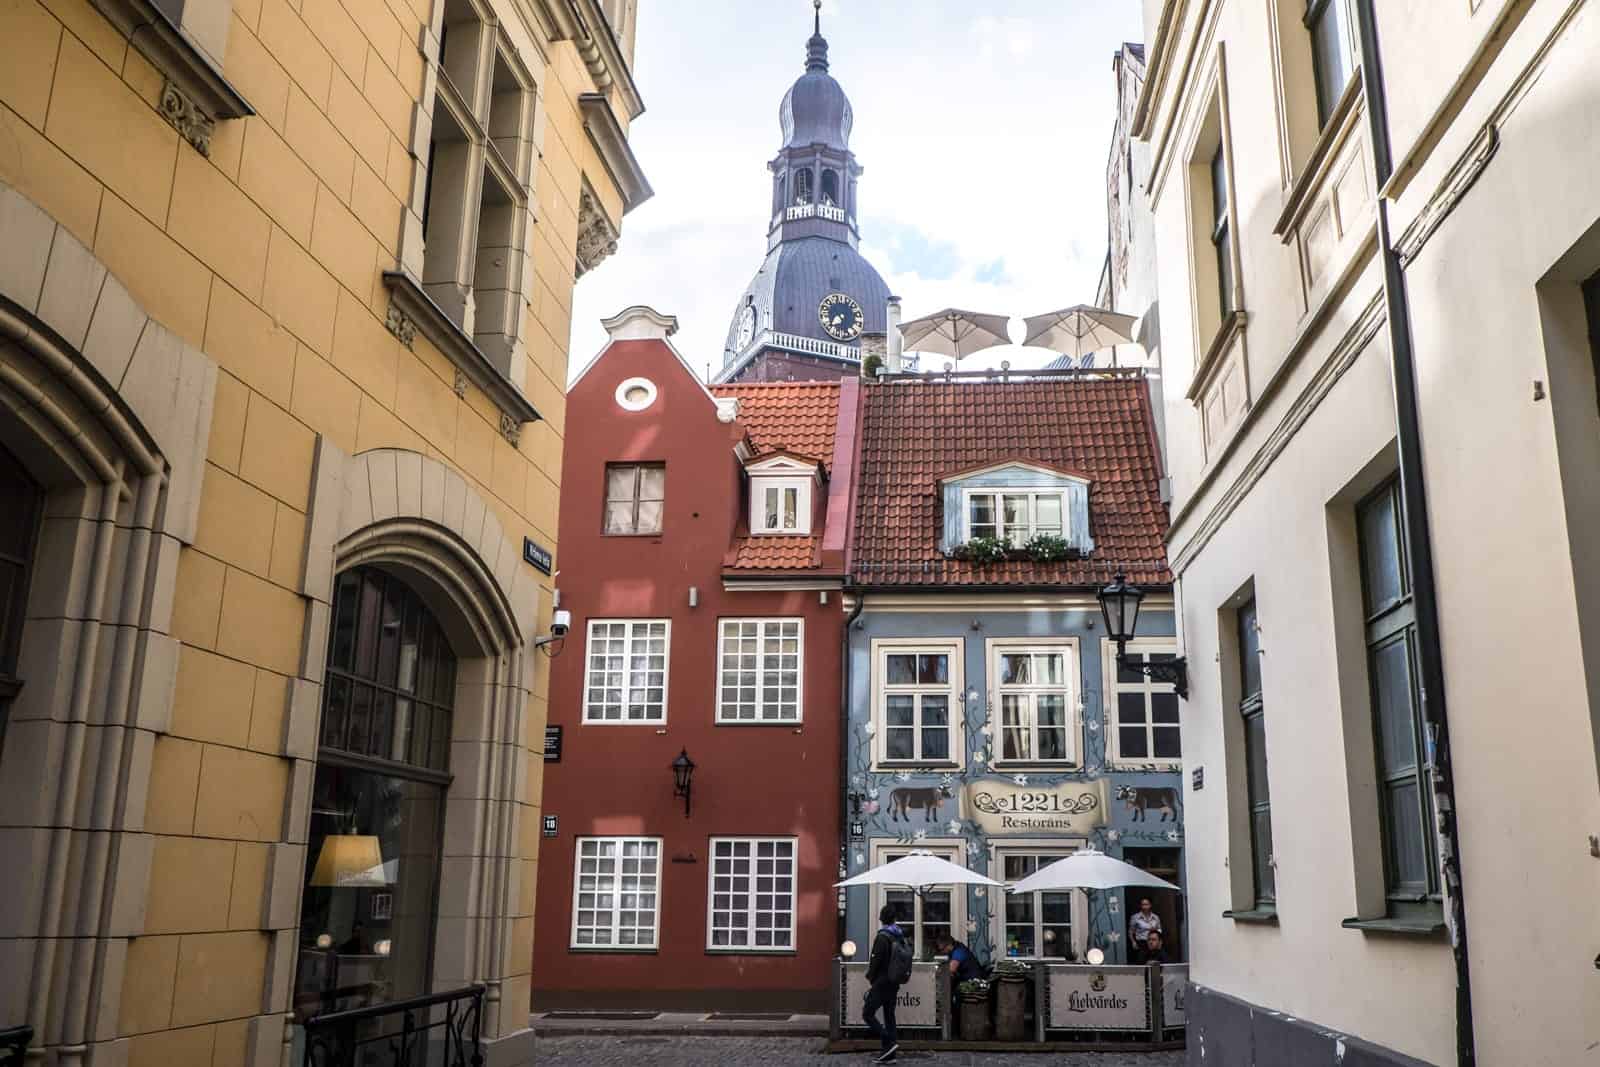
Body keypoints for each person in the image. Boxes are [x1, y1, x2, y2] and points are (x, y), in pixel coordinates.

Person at [862, 904, 905, 1063]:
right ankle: (890, 1056)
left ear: (881, 919)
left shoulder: (882, 937)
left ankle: (889, 1042)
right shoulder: (899, 935)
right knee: (889, 1016)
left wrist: (870, 977)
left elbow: (876, 960)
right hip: (894, 981)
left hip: (881, 982)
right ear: (894, 919)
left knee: (867, 1014)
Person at [1128, 897, 1163, 963]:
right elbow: (1131, 931)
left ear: (1150, 905)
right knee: (1141, 961)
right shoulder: (1135, 917)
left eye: (1146, 904)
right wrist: (1133, 942)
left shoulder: (1155, 917)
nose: (1144, 907)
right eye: (1143, 904)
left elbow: (1160, 930)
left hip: (1153, 943)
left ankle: (1154, 973)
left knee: (1154, 961)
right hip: (1142, 943)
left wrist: (1156, 931)